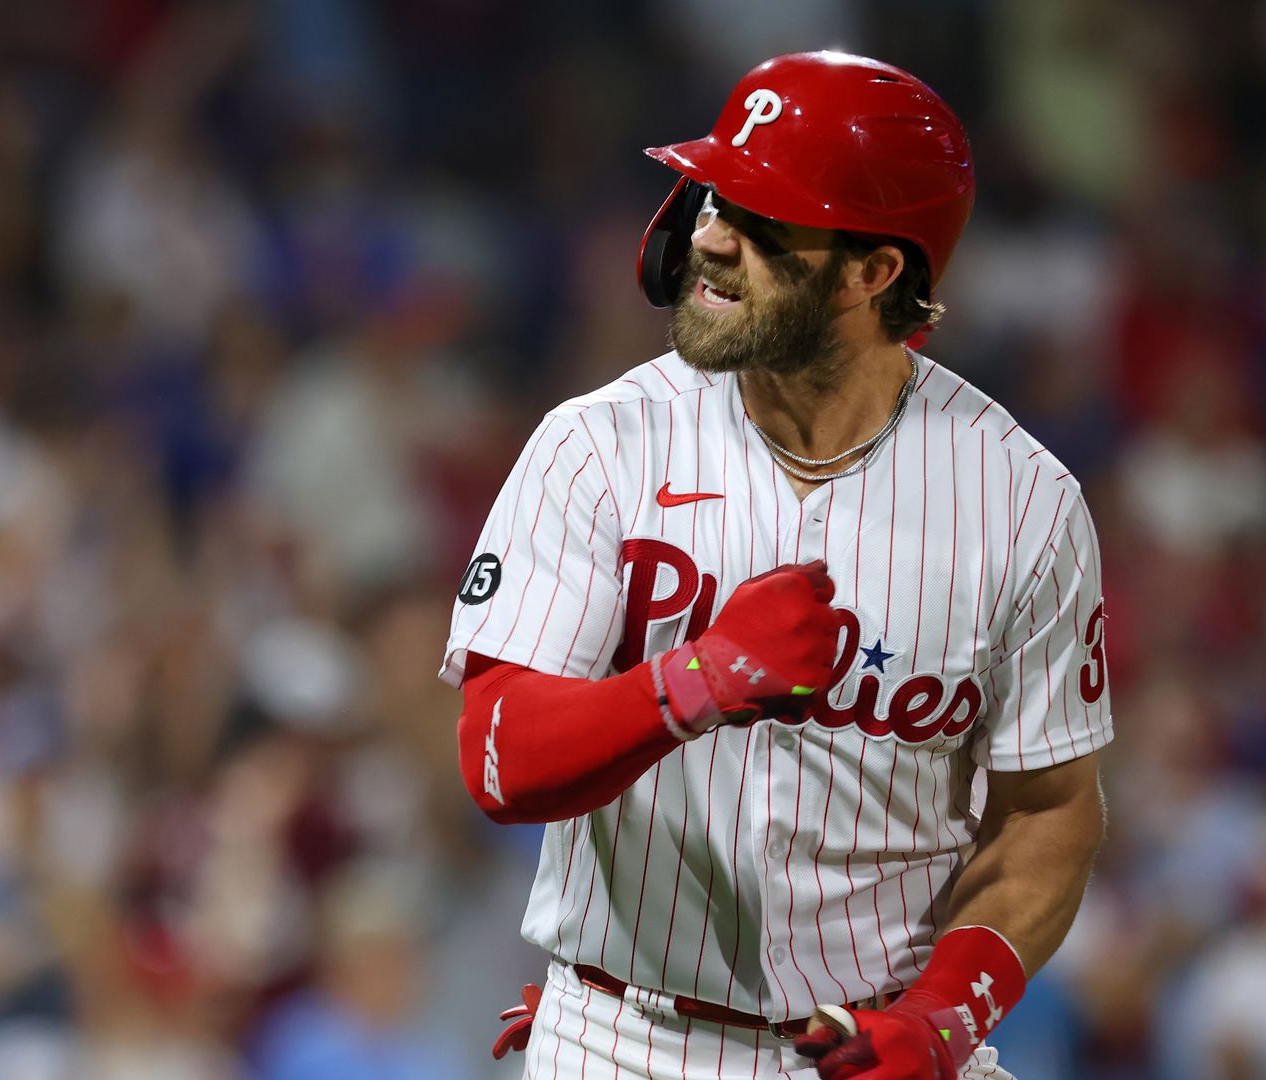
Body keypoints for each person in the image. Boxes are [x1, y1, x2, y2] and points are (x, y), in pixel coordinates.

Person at [442, 52, 1111, 1080]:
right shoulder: (599, 444)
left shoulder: (1022, 502)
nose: (708, 237)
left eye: (763, 220)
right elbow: (498, 757)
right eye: (714, 198)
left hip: (877, 1043)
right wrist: (696, 680)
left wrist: (947, 1017)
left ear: (875, 271)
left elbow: (1050, 809)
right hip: (630, 1037)